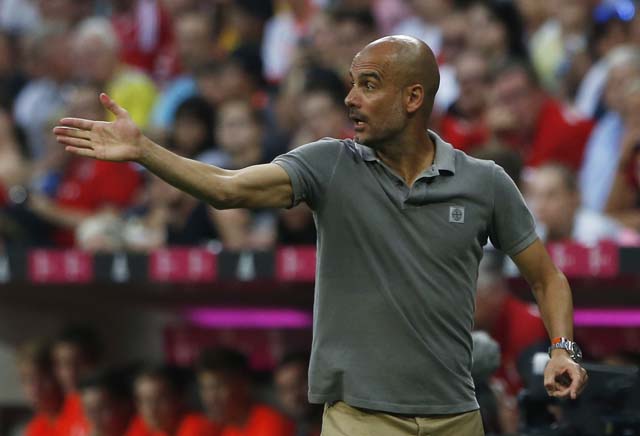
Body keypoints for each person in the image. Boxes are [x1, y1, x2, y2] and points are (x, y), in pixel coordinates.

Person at [54, 35, 588, 436]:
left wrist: (563, 349)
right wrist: (145, 150)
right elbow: (226, 188)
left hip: (458, 417)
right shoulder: (328, 163)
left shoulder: (485, 182)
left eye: (369, 85)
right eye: (352, 83)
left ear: (413, 97)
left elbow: (547, 277)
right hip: (360, 419)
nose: (351, 98)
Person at [182, 347, 293, 436]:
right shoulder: (228, 431)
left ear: (243, 385)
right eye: (205, 388)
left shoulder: (271, 424)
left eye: (218, 387)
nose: (211, 397)